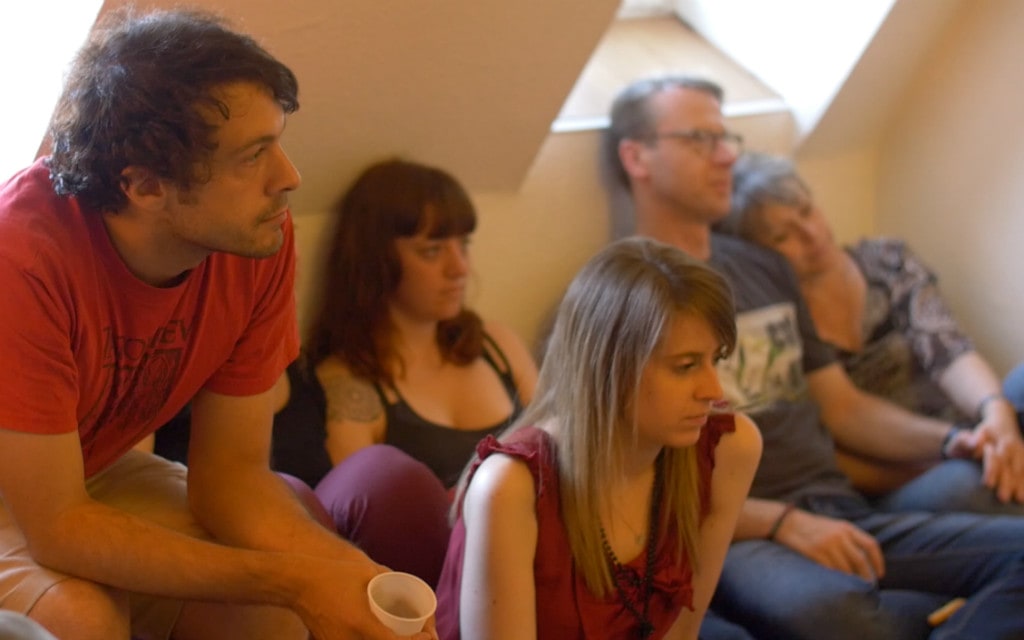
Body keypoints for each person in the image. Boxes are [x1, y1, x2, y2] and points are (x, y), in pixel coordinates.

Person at [0, 9, 432, 640]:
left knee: (291, 609)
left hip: (91, 473)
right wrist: (295, 581)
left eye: (276, 142)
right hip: (32, 501)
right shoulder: (22, 257)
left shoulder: (254, 237)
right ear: (146, 185)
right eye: (253, 157)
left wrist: (359, 584)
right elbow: (59, 526)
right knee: (81, 621)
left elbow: (231, 479)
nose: (289, 177)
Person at [605, 73, 1024, 639]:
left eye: (726, 139)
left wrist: (953, 440)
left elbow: (843, 409)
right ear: (636, 157)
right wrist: (779, 521)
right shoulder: (615, 299)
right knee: (837, 614)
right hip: (740, 530)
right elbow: (621, 484)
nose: (726, 156)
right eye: (700, 140)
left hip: (841, 503)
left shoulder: (763, 267)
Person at [434, 236, 761, 639]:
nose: (713, 390)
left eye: (716, 359)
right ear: (609, 369)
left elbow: (683, 632)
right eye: (685, 366)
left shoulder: (728, 448)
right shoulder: (510, 487)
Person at [720, 151, 1024, 511]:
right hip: (896, 474)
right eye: (783, 236)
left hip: (964, 432)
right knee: (969, 484)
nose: (812, 235)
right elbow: (827, 441)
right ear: (754, 254)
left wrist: (995, 414)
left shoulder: (885, 259)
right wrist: (948, 457)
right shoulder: (772, 321)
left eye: (807, 211)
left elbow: (948, 349)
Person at [284, 158, 538, 585]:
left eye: (463, 244)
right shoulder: (348, 382)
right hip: (434, 586)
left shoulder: (497, 345)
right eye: (432, 251)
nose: (460, 268)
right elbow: (372, 531)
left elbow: (563, 451)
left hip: (534, 561)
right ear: (377, 261)